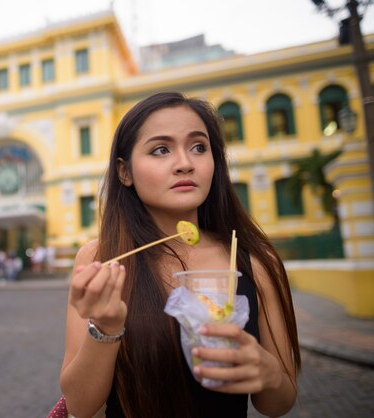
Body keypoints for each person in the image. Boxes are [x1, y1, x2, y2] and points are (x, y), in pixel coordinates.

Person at [59, 92, 300, 418]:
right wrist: (106, 325)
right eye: (161, 150)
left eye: (199, 147)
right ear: (124, 172)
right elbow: (81, 405)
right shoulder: (103, 258)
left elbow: (278, 404)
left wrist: (269, 373)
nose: (186, 163)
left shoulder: (255, 262)